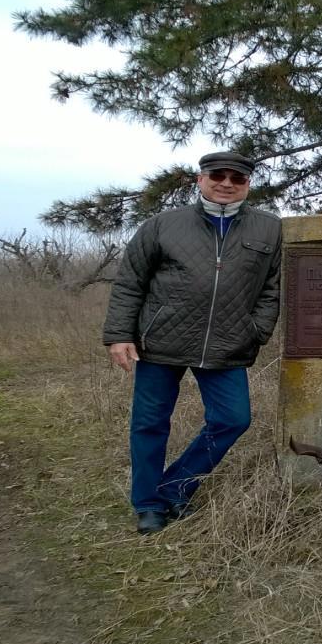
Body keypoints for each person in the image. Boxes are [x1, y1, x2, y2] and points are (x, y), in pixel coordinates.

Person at [103, 151, 282, 534]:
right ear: (200, 180)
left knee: (233, 419)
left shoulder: (269, 228)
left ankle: (175, 486)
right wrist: (119, 335)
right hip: (160, 341)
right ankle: (148, 504)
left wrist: (256, 330)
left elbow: (272, 287)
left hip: (227, 344)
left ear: (247, 185)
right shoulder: (163, 225)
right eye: (218, 175)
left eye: (237, 178)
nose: (227, 183)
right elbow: (130, 282)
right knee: (150, 424)